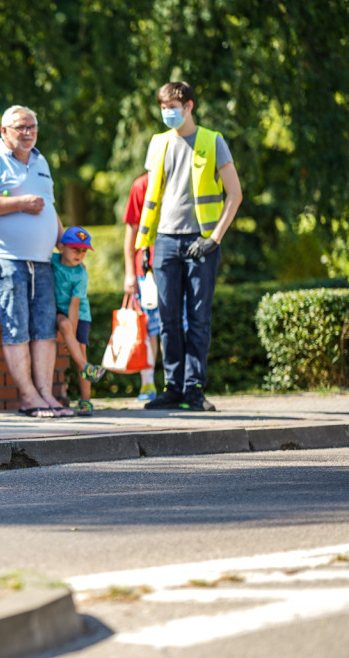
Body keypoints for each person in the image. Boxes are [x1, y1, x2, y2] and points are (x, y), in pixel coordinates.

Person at [135, 81, 242, 412]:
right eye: (163, 107)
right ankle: (173, 388)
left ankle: (194, 389)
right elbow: (151, 200)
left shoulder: (213, 141)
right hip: (165, 241)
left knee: (197, 319)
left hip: (201, 242)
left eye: (174, 107)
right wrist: (145, 247)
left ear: (189, 106)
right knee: (167, 319)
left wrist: (213, 239)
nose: (168, 113)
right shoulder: (158, 143)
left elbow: (234, 195)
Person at [0, 105, 70, 419]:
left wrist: (63, 241)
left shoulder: (41, 161)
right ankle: (28, 398)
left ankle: (46, 396)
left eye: (31, 126)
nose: (26, 132)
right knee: (17, 329)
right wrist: (20, 203)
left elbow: (49, 206)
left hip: (41, 260)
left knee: (44, 330)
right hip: (4, 258)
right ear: (4, 131)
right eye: (19, 127)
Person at [52, 226, 105, 417]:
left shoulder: (81, 274)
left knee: (80, 354)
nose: (80, 254)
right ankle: (87, 368)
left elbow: (74, 306)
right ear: (61, 247)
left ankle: (86, 400)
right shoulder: (52, 261)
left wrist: (71, 338)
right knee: (64, 325)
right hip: (58, 311)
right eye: (75, 249)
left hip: (79, 315)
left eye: (83, 251)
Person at [122, 173, 162, 402]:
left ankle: (173, 383)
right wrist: (130, 273)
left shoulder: (181, 179)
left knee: (175, 329)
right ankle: (147, 383)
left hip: (177, 269)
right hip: (146, 271)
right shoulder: (141, 185)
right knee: (148, 330)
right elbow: (132, 231)